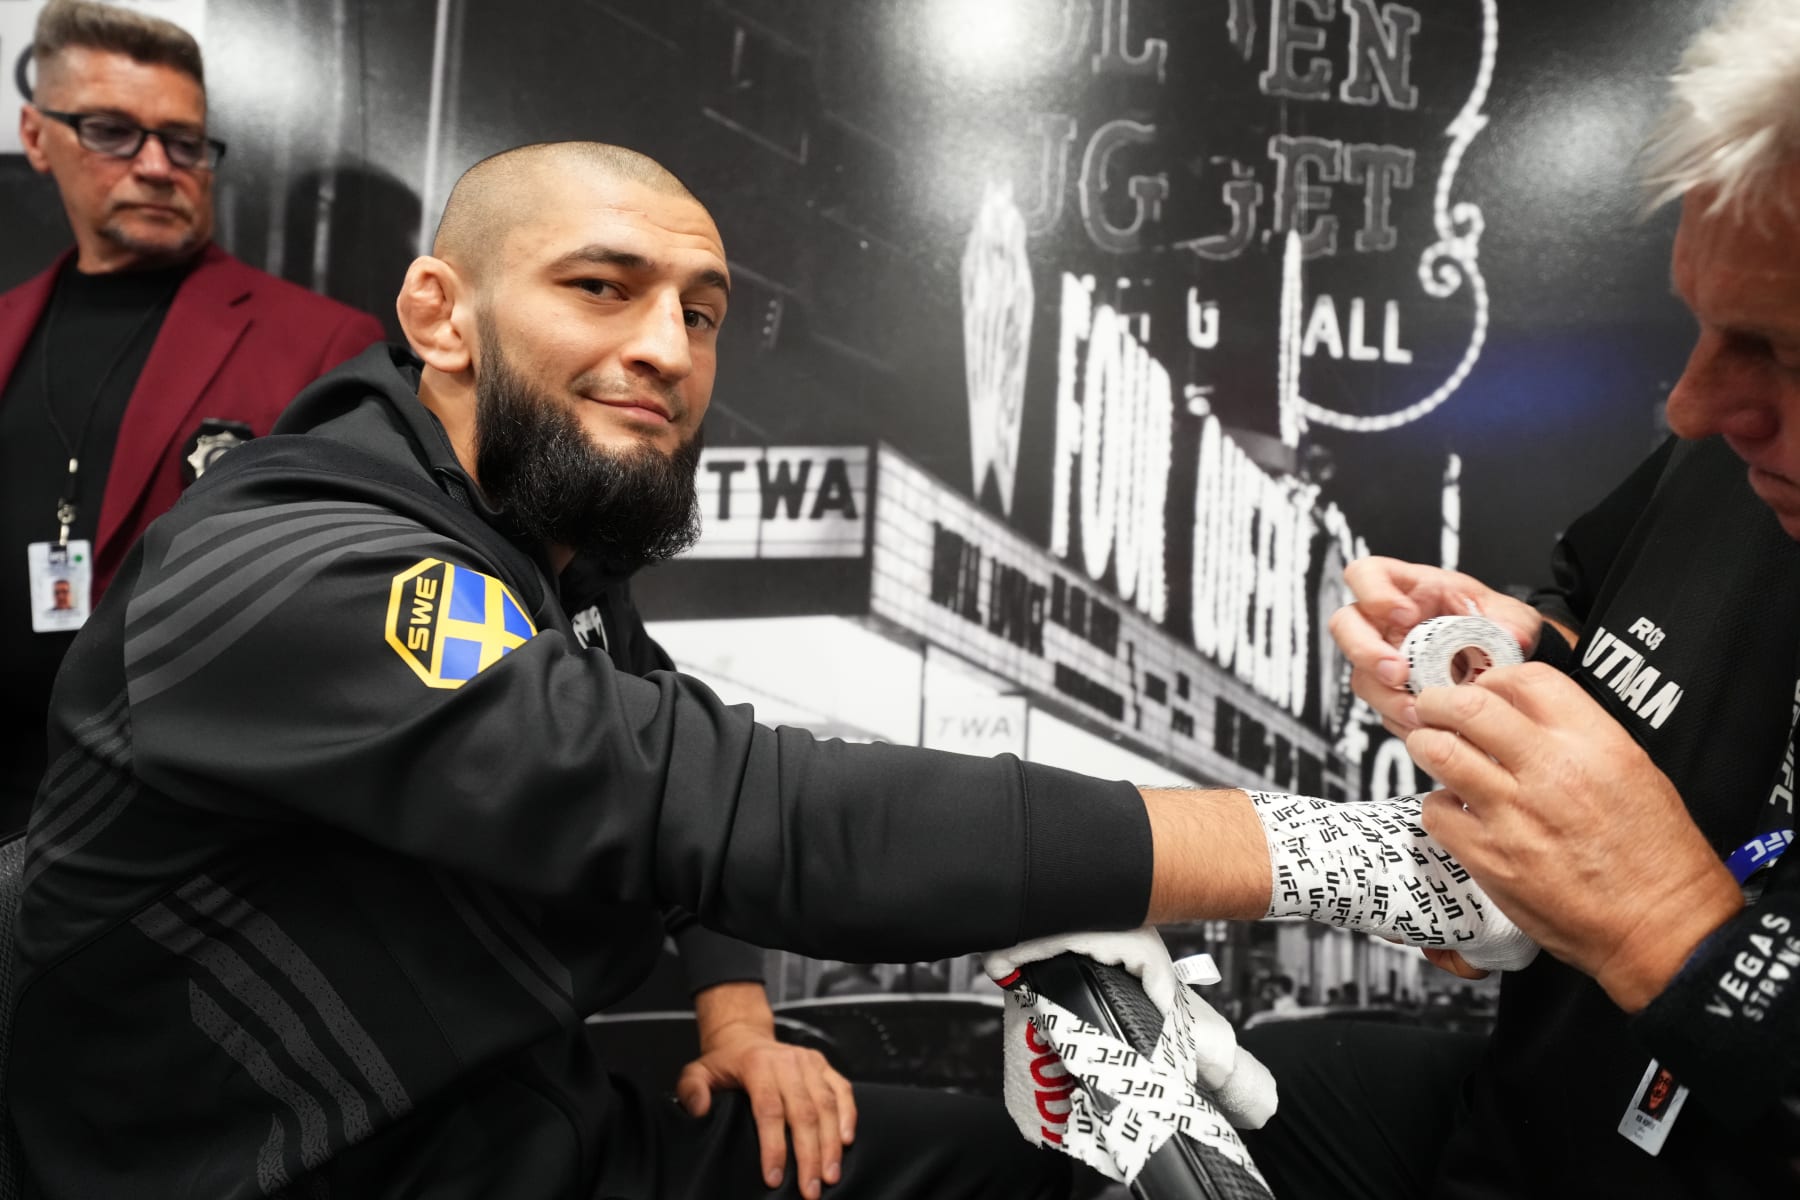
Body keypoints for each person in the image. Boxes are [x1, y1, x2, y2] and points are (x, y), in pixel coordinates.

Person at [1246, 2, 1800, 1195]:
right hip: (1527, 1120)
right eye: (1708, 326)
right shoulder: (1735, 459)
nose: (1697, 408)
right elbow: (1591, 602)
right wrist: (1512, 644)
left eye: (1788, 353)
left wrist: (1672, 928)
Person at [0, 0, 384, 831]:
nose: (155, 166)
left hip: (176, 827)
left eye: (183, 142)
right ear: (36, 136)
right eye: (110, 131)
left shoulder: (323, 344)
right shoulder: (4, 328)